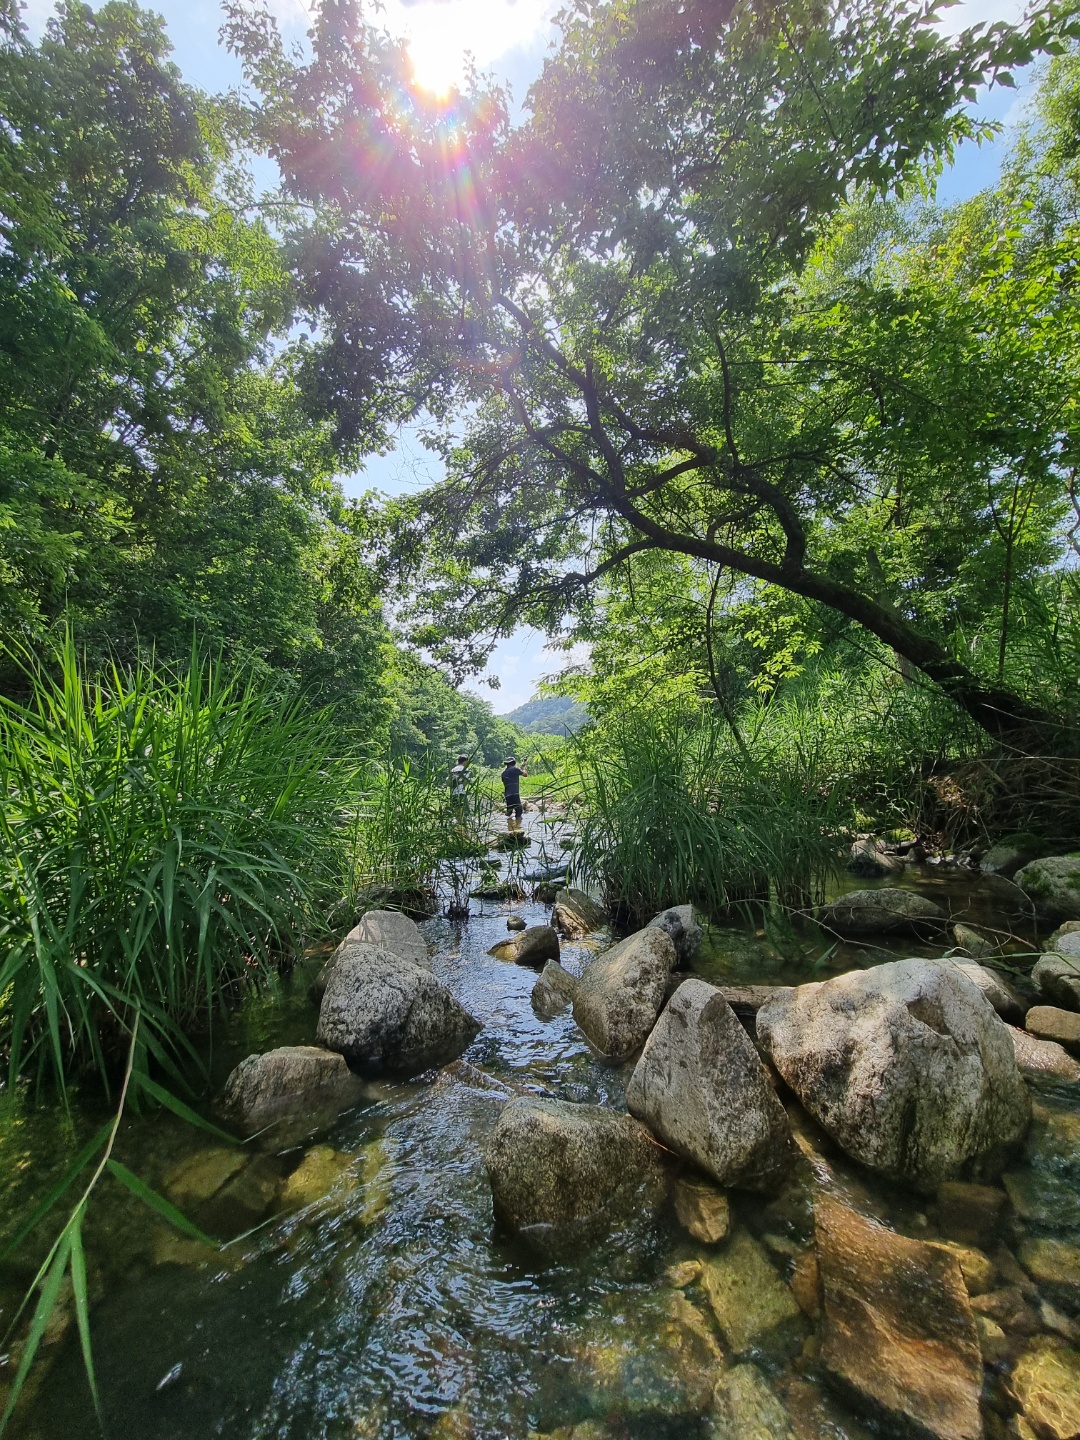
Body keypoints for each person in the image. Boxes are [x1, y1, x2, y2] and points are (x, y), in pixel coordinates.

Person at [500, 755, 527, 821]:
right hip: (515, 794)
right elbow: (525, 774)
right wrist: (523, 768)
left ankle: (509, 825)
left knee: (509, 812)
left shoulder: (503, 773)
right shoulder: (515, 769)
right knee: (519, 812)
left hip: (507, 795)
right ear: (514, 763)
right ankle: (518, 825)